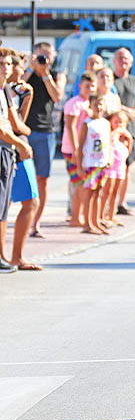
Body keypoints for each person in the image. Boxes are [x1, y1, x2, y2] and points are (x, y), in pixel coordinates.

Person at [23, 42, 66, 238]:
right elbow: (14, 87)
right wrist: (32, 69)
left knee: (43, 179)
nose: (43, 60)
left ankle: (35, 223)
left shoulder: (57, 74)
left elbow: (57, 96)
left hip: (47, 131)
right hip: (25, 130)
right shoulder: (28, 73)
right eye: (41, 55)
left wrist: (46, 73)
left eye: (47, 56)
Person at [0, 49, 34, 273]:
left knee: (4, 207)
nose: (6, 68)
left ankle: (7, 256)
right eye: (2, 63)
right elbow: (9, 127)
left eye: (9, 64)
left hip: (8, 149)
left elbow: (16, 123)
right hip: (7, 148)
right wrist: (22, 142)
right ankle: (7, 256)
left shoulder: (5, 91)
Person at [8, 53, 41, 271]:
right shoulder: (5, 91)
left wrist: (27, 99)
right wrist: (25, 132)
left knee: (29, 202)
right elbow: (18, 126)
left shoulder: (12, 91)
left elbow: (20, 120)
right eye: (20, 66)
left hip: (19, 148)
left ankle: (16, 256)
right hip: (14, 148)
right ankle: (13, 256)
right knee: (25, 202)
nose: (22, 70)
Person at [112, 48, 135, 215]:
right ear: (113, 61)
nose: (122, 61)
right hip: (115, 128)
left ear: (131, 62)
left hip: (131, 129)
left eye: (126, 58)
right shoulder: (110, 79)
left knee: (127, 167)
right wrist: (123, 110)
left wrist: (133, 112)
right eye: (119, 57)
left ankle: (122, 202)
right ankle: (109, 203)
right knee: (113, 167)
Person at [61, 72, 96, 227]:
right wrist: (76, 150)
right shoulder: (74, 103)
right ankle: (78, 217)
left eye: (92, 86)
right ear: (80, 86)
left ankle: (77, 217)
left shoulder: (91, 103)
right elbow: (70, 126)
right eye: (86, 86)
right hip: (72, 149)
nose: (89, 89)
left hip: (86, 150)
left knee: (82, 182)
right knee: (80, 183)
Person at [77, 95, 112, 235]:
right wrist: (79, 165)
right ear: (90, 106)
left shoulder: (105, 123)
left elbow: (108, 142)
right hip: (91, 163)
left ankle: (96, 221)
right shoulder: (87, 124)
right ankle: (87, 223)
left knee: (98, 193)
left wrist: (109, 158)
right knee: (89, 193)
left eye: (101, 104)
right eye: (95, 104)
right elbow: (80, 146)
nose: (98, 107)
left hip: (102, 164)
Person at [101, 111, 133, 227]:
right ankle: (101, 215)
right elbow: (107, 142)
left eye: (121, 123)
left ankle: (111, 215)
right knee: (107, 192)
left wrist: (128, 138)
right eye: (116, 122)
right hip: (111, 168)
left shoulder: (124, 137)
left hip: (120, 167)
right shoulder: (111, 134)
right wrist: (115, 132)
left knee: (115, 192)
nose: (119, 125)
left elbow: (128, 150)